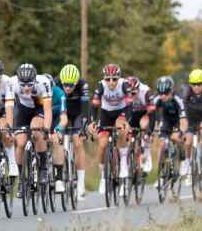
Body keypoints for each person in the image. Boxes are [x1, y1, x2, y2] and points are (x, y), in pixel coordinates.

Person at [11, 63, 53, 192]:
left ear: (35, 80)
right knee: (20, 143)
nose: (26, 88)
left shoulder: (43, 82)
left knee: (36, 130)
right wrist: (10, 127)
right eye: (23, 85)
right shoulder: (12, 83)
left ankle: (43, 168)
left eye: (29, 84)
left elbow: (48, 109)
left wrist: (46, 129)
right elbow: (9, 107)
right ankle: (21, 178)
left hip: (39, 109)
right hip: (22, 110)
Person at [91, 63, 131, 193]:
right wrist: (93, 122)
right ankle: (103, 176)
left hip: (121, 112)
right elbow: (94, 106)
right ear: (104, 79)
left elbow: (130, 105)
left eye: (114, 79)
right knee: (102, 144)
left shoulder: (124, 84)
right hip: (106, 114)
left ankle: (123, 161)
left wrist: (125, 118)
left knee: (120, 127)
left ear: (119, 78)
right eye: (108, 79)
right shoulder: (101, 85)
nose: (111, 82)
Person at [53, 64, 90, 200]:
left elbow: (86, 108)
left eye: (70, 85)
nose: (67, 88)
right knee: (58, 139)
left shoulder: (82, 85)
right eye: (65, 85)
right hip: (62, 112)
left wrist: (84, 126)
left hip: (78, 113)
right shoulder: (56, 83)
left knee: (77, 142)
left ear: (76, 82)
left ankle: (81, 183)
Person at [178, 69, 202, 186]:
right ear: (190, 84)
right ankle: (187, 163)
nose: (196, 87)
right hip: (190, 117)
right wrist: (183, 130)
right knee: (188, 142)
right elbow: (182, 115)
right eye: (194, 84)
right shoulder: (186, 93)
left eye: (199, 84)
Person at [148, 76, 188, 175]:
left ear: (172, 91)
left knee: (175, 137)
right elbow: (152, 117)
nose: (163, 96)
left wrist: (181, 132)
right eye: (160, 93)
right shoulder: (156, 100)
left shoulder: (178, 99)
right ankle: (160, 172)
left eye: (166, 93)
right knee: (162, 143)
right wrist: (150, 132)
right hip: (166, 120)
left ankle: (183, 159)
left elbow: (183, 119)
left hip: (178, 120)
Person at [124, 75, 153, 174]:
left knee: (143, 126)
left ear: (138, 89)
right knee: (127, 131)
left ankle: (147, 153)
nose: (131, 96)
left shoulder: (145, 91)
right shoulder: (122, 91)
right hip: (133, 113)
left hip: (145, 112)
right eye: (129, 93)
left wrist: (149, 131)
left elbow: (152, 113)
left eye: (134, 93)